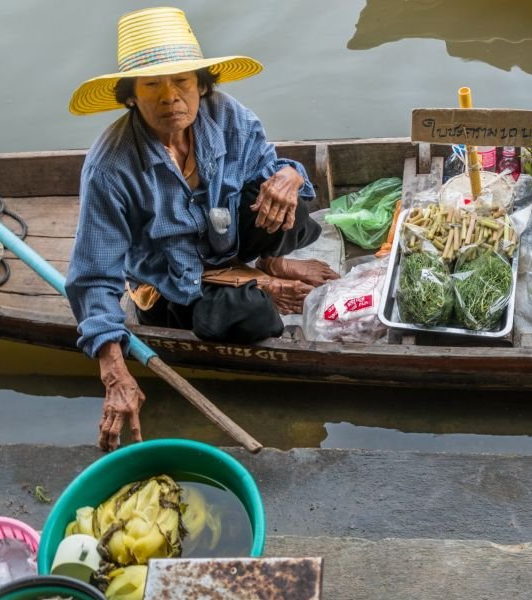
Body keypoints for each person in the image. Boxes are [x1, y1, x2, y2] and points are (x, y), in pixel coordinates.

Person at [65, 7, 339, 452]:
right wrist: (114, 370)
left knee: (298, 210)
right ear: (131, 96)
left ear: (201, 85)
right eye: (152, 84)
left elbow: (272, 168)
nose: (170, 97)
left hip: (223, 236)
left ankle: (272, 260)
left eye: (182, 82)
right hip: (172, 281)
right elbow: (92, 278)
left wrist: (288, 178)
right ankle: (257, 278)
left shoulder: (227, 116)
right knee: (254, 316)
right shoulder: (111, 166)